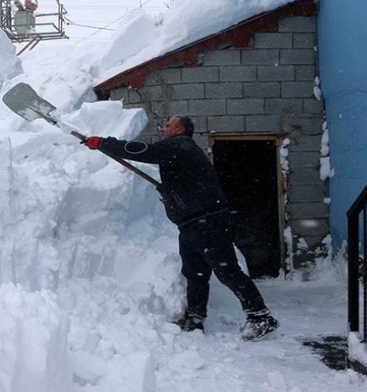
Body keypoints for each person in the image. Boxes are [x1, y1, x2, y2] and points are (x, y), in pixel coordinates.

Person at [83, 116, 279, 341]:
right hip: (191, 224)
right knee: (195, 273)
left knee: (227, 270)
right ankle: (195, 318)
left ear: (180, 129)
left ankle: (260, 316)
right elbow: (184, 182)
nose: (163, 128)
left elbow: (144, 151)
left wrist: (104, 143)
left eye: (167, 125)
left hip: (208, 221)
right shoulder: (178, 153)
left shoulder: (180, 145)